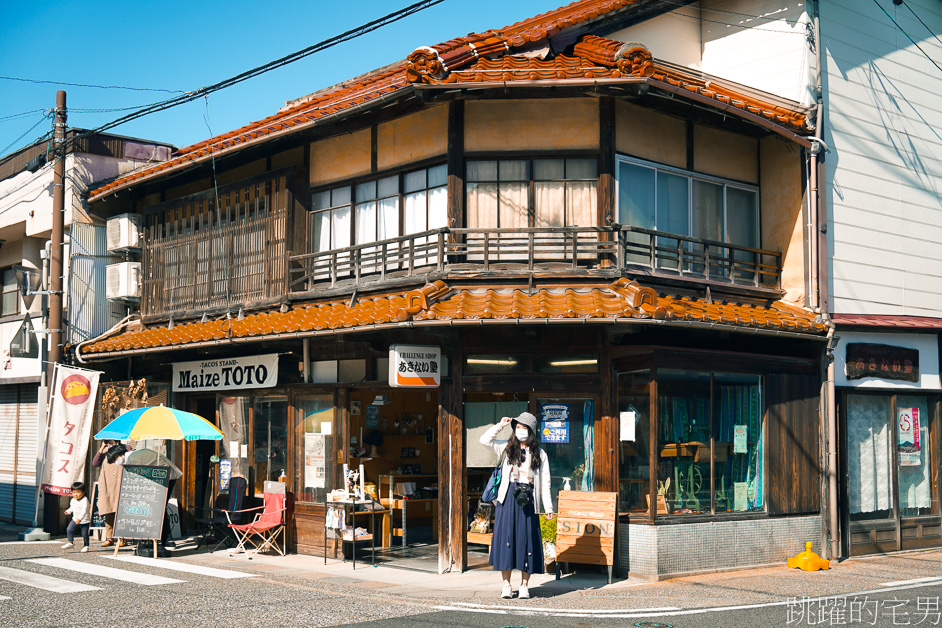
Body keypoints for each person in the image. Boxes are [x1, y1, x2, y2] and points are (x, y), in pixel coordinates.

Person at [480, 411, 553, 600]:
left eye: (524, 428)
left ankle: (524, 586)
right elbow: (484, 441)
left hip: (529, 499)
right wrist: (500, 425)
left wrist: (549, 507)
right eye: (518, 427)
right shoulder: (507, 448)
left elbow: (545, 482)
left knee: (526, 541)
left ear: (531, 431)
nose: (520, 431)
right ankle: (506, 585)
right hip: (507, 499)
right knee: (507, 541)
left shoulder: (540, 454)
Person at [125, 447, 183, 552]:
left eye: (114, 460)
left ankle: (162, 539)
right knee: (156, 507)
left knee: (158, 507)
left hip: (165, 476)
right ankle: (154, 539)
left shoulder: (131, 458)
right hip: (162, 476)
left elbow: (134, 478)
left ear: (119, 456)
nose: (116, 463)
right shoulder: (135, 455)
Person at [92, 441, 130, 548]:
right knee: (108, 511)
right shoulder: (104, 451)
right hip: (107, 485)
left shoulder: (125, 449)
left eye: (112, 440)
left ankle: (121, 537)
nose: (110, 442)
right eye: (108, 441)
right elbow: (95, 463)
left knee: (121, 512)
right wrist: (102, 448)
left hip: (121, 484)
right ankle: (109, 537)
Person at [62, 481, 91, 552]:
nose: (76, 494)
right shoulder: (72, 500)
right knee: (69, 529)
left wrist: (80, 519)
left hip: (84, 520)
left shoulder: (84, 500)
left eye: (78, 492)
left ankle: (86, 546)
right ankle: (70, 543)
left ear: (83, 492)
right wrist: (68, 511)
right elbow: (72, 507)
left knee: (84, 534)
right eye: (74, 492)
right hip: (75, 519)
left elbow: (84, 510)